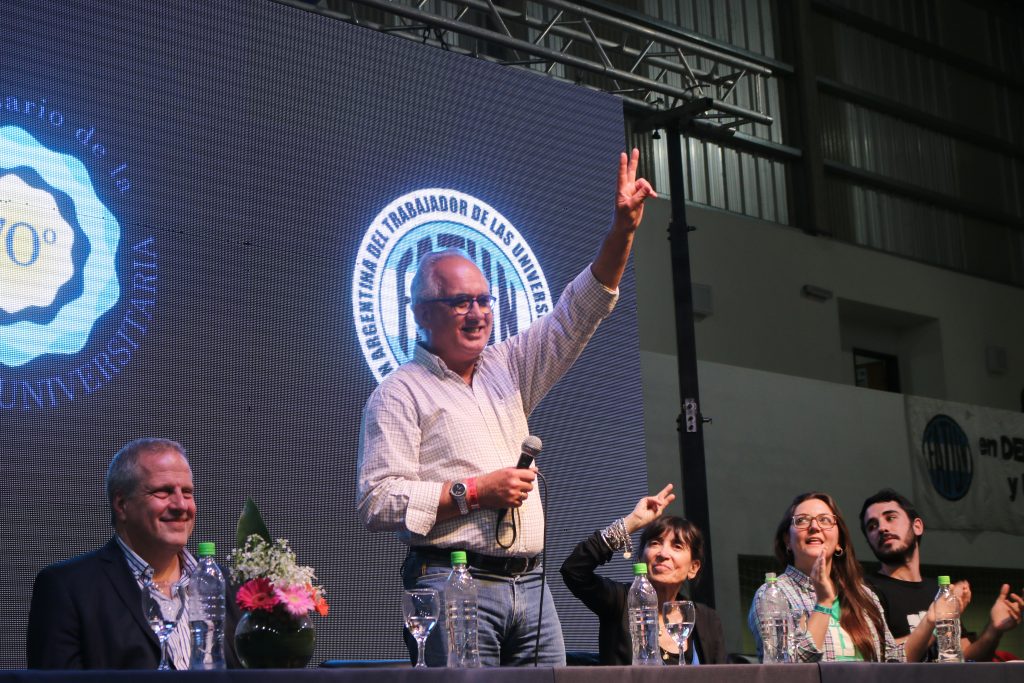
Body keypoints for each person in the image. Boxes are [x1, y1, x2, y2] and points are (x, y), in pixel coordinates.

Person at [357, 149, 656, 666]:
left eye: (484, 299)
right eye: (460, 302)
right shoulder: (399, 393)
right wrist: (475, 491)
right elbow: (377, 501)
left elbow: (579, 311)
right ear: (423, 314)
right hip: (452, 583)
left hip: (532, 585)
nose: (477, 313)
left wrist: (622, 230)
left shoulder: (508, 365)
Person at [26, 438, 240, 669]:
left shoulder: (229, 584)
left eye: (187, 492)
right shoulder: (68, 588)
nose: (181, 505)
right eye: (163, 492)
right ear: (121, 504)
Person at [747, 491, 931, 662]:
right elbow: (785, 670)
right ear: (787, 540)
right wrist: (824, 603)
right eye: (802, 520)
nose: (814, 526)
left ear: (839, 542)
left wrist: (932, 620)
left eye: (825, 520)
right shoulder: (772, 594)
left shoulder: (865, 595)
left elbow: (892, 662)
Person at [560, 483, 725, 665]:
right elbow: (574, 570)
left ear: (693, 568)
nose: (663, 554)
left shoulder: (706, 619)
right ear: (641, 558)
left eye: (677, 546)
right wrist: (630, 522)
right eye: (655, 543)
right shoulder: (621, 601)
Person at [859, 488, 1023, 661]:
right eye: (872, 526)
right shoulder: (865, 590)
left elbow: (965, 657)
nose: (882, 528)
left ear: (917, 526)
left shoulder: (939, 591)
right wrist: (938, 624)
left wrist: (994, 630)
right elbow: (880, 657)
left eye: (890, 518)